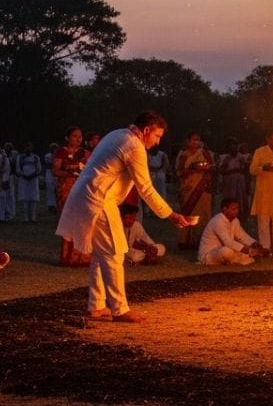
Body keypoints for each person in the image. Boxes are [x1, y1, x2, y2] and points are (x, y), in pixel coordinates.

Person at [56, 111, 191, 323]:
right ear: (146, 130)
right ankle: (119, 309)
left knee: (102, 255)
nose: (157, 143)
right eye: (156, 136)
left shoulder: (118, 134)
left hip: (91, 197)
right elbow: (145, 187)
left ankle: (97, 306)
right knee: (114, 253)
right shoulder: (133, 145)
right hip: (98, 199)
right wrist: (171, 214)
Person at [53, 127, 89, 265]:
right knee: (69, 221)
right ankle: (68, 258)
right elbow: (55, 171)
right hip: (66, 188)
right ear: (68, 138)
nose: (78, 139)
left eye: (80, 136)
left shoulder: (85, 153)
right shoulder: (61, 151)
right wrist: (71, 174)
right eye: (74, 136)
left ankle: (82, 257)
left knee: (82, 221)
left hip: (83, 189)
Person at [175, 133, 215, 250]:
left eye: (198, 140)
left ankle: (200, 241)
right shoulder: (183, 155)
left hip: (203, 189)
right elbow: (179, 173)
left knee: (203, 214)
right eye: (194, 140)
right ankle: (185, 241)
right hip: (188, 189)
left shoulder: (204, 153)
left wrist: (205, 168)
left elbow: (212, 167)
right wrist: (193, 168)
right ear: (188, 141)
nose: (196, 142)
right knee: (188, 213)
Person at [199, 197, 266, 265]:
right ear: (225, 209)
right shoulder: (218, 220)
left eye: (237, 208)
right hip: (209, 254)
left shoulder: (235, 220)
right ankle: (243, 260)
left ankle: (240, 260)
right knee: (226, 251)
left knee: (235, 251)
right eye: (233, 209)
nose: (236, 211)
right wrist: (249, 251)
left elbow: (242, 236)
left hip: (226, 249)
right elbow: (228, 242)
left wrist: (255, 244)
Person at [14, 141, 42, 222]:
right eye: (26, 147)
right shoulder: (20, 157)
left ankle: (33, 217)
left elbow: (39, 168)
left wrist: (32, 175)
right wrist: (24, 175)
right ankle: (26, 218)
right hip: (23, 180)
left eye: (29, 147)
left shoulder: (36, 157)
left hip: (33, 180)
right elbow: (18, 169)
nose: (28, 148)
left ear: (32, 148)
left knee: (33, 198)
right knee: (25, 198)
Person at [146, 145, 170, 217]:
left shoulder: (162, 155)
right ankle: (148, 211)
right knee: (149, 192)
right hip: (150, 174)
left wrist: (159, 169)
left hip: (160, 174)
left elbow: (165, 165)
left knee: (161, 193)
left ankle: (162, 211)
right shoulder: (147, 154)